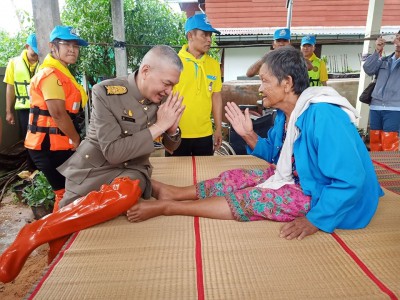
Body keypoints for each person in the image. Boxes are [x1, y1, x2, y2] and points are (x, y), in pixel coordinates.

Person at [127, 46, 383, 241]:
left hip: (326, 196)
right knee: (236, 177)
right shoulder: (285, 115)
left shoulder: (323, 115)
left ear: (287, 83)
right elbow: (278, 156)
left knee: (254, 197)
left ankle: (169, 206)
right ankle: (176, 192)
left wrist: (316, 220)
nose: (260, 88)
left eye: (264, 81)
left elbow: (351, 179)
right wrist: (249, 136)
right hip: (300, 178)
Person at [0, 45, 185, 284]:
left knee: (129, 192)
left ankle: (37, 231)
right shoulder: (105, 92)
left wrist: (172, 129)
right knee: (59, 250)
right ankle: (33, 235)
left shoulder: (162, 100)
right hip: (93, 169)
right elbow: (114, 152)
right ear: (147, 70)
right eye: (167, 83)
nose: (170, 91)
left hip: (132, 170)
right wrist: (159, 127)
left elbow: (171, 147)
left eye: (173, 85)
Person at [24, 25, 88, 208]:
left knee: (68, 190)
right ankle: (59, 233)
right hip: (48, 146)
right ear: (53, 47)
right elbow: (58, 114)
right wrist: (76, 139)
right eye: (66, 44)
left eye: (76, 46)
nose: (72, 50)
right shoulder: (50, 75)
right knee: (65, 192)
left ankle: (63, 230)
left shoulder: (63, 72)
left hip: (58, 143)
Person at [167, 13, 223, 156]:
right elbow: (162, 97)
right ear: (190, 35)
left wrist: (218, 128)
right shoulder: (173, 62)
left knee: (205, 176)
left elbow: (216, 97)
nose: (209, 40)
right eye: (204, 35)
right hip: (176, 133)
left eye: (210, 35)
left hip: (204, 134)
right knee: (177, 176)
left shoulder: (214, 65)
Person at [3, 33, 40, 171]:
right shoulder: (13, 63)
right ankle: (32, 169)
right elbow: (10, 87)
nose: (36, 55)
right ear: (26, 47)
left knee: (43, 138)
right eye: (33, 52)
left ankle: (42, 170)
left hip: (42, 107)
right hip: (24, 109)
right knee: (29, 139)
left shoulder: (45, 62)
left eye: (38, 53)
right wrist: (8, 111)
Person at [363, 31, 400, 151]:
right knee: (375, 144)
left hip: (395, 109)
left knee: (390, 145)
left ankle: (391, 170)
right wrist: (377, 51)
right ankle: (376, 170)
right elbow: (368, 69)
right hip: (376, 107)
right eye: (397, 38)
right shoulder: (384, 60)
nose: (397, 41)